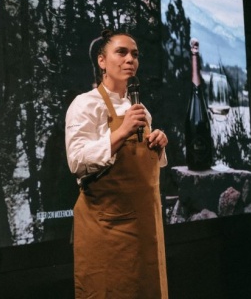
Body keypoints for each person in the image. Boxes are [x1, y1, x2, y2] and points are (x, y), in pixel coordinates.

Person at [65, 29, 169, 298]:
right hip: (108, 227)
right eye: (121, 52)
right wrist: (120, 133)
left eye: (135, 54)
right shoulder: (85, 104)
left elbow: (144, 167)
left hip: (145, 227)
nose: (130, 59)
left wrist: (157, 143)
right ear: (102, 61)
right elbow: (77, 161)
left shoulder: (140, 110)